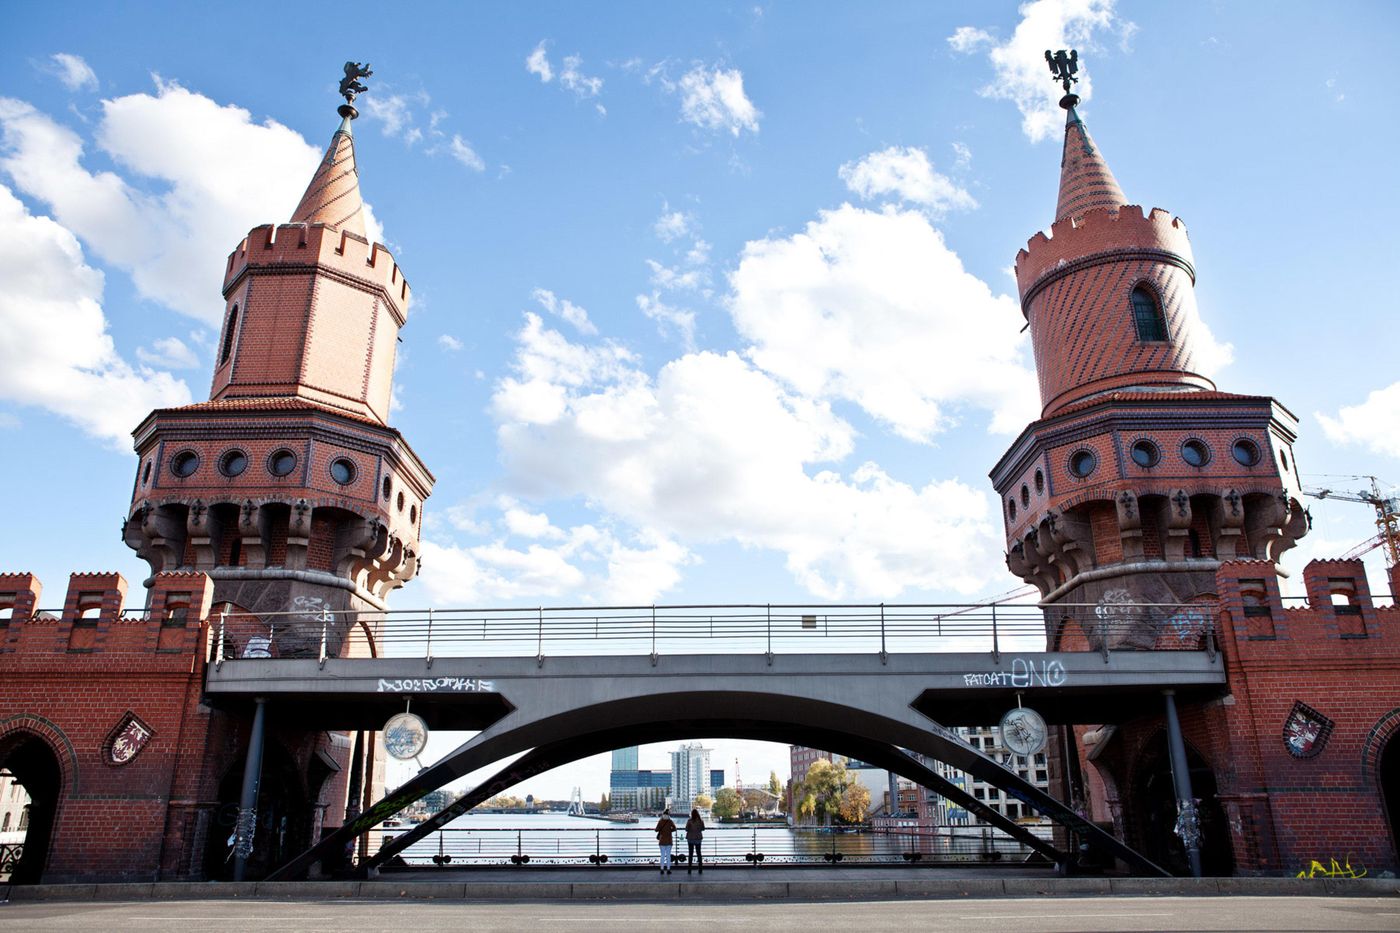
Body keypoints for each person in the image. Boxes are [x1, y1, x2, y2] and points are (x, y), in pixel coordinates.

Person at [653, 808, 677, 875]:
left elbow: (656, 830)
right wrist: (669, 831)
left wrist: (661, 830)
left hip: (662, 840)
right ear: (668, 815)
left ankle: (662, 869)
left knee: (662, 855)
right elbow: (675, 828)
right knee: (668, 856)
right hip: (669, 840)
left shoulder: (660, 821)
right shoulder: (670, 821)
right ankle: (668, 869)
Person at [685, 807, 705, 874]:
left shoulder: (689, 821)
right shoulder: (700, 821)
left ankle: (689, 869)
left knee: (690, 854)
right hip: (698, 838)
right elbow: (703, 828)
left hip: (690, 838)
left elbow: (686, 829)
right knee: (699, 853)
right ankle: (700, 869)